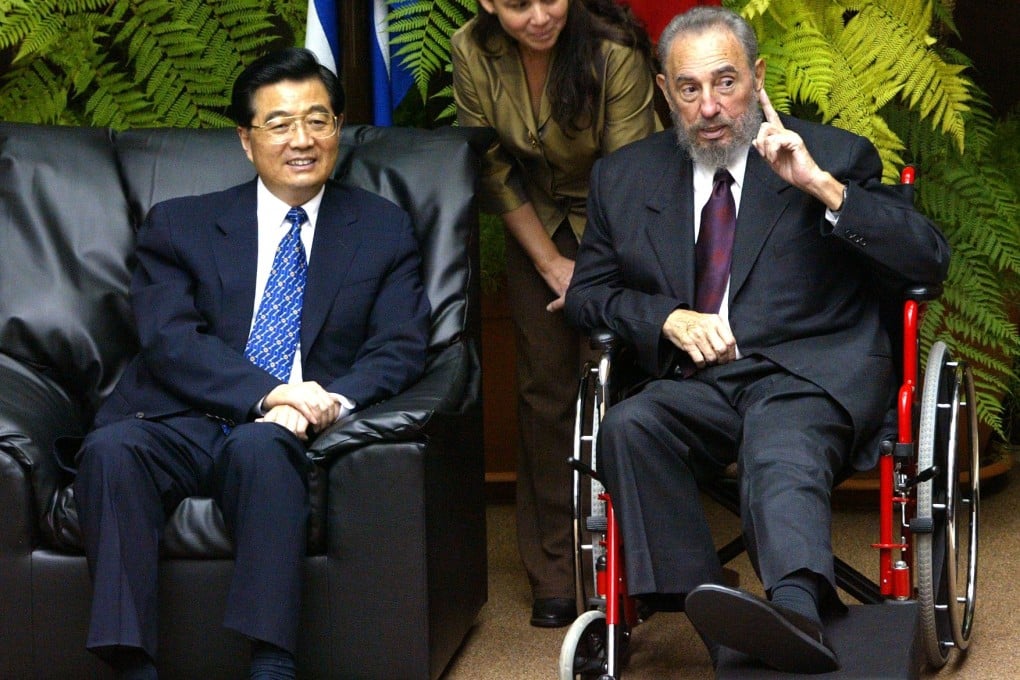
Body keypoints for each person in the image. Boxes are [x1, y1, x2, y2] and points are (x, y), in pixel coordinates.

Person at [564, 6, 950, 673]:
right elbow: (588, 295)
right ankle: (721, 624)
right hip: (698, 381)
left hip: (808, 375)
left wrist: (820, 188)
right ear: (664, 91)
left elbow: (927, 265)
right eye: (690, 88)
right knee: (628, 426)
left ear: (758, 77)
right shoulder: (622, 179)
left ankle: (796, 611)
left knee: (780, 444)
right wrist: (665, 318)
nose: (710, 105)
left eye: (726, 82)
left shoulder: (833, 153)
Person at [73, 48, 430, 679]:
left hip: (288, 432)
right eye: (280, 123)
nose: (302, 140)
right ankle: (131, 665)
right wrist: (271, 394)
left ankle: (271, 663)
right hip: (177, 417)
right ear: (246, 139)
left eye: (318, 121)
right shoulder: (180, 225)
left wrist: (323, 405)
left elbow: (400, 346)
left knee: (263, 451)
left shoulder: (382, 228)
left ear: (338, 129)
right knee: (111, 451)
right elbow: (169, 339)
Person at [451, 0, 660, 628]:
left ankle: (632, 564)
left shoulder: (613, 50)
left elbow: (631, 174)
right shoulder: (470, 50)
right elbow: (489, 165)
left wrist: (591, 277)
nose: (540, 15)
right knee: (545, 391)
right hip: (534, 225)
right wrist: (549, 263)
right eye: (517, 5)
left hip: (624, 225)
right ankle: (555, 570)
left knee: (619, 385)